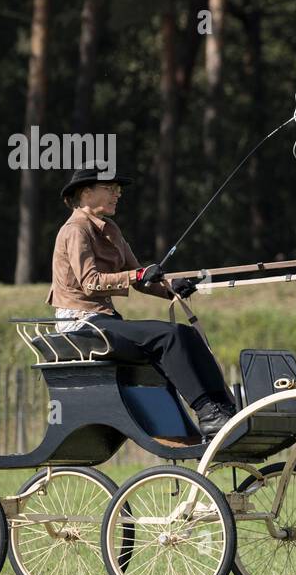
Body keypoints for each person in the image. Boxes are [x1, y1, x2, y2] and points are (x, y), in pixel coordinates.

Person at [46, 166, 236, 437]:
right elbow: (91, 282)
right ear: (86, 192)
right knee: (168, 337)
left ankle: (223, 408)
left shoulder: (110, 229)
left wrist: (172, 288)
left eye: (118, 190)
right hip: (79, 325)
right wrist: (138, 273)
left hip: (103, 321)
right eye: (110, 189)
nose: (117, 195)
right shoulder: (76, 229)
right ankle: (207, 411)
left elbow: (141, 279)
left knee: (185, 334)